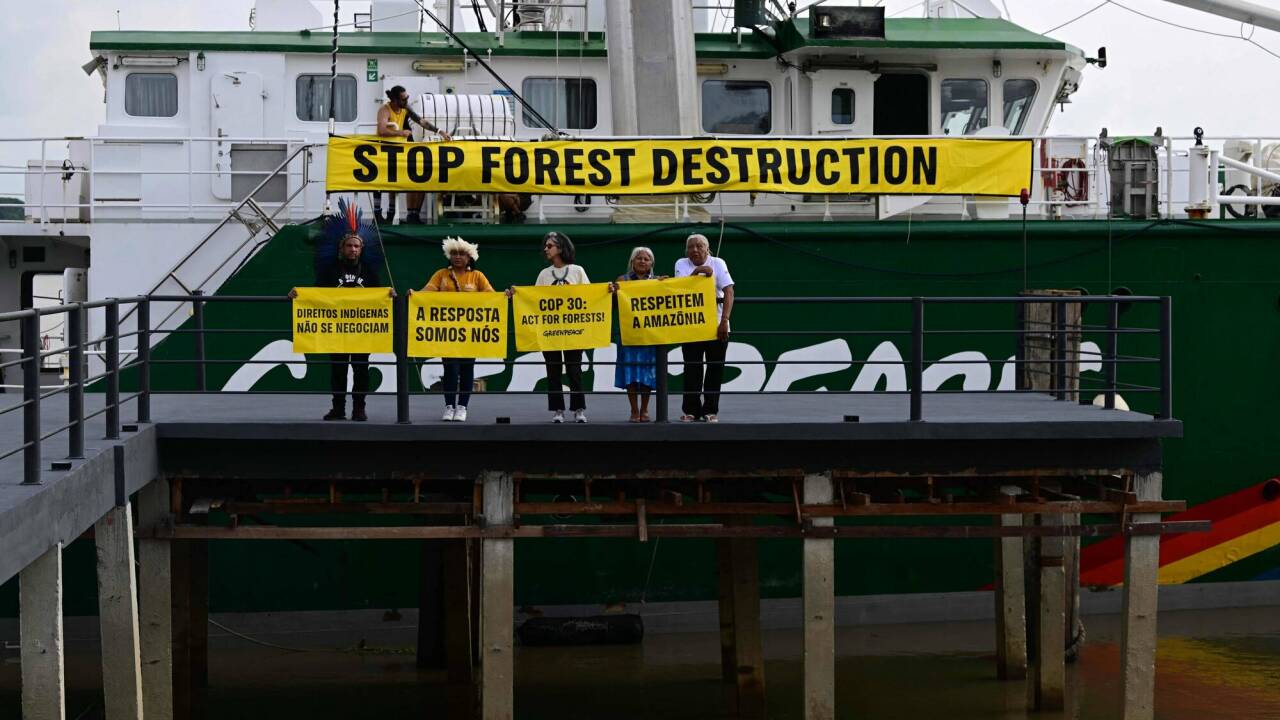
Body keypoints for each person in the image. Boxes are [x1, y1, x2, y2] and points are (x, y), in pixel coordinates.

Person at [288, 219, 383, 422]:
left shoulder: (369, 272)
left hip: (361, 331)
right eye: (349, 245)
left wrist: (389, 294)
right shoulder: (330, 270)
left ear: (362, 248)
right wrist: (299, 294)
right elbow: (316, 294)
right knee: (338, 371)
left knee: (361, 370)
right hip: (336, 330)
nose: (353, 249)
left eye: (356, 246)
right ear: (342, 247)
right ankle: (338, 409)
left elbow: (379, 296)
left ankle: (359, 409)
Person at [420, 237, 494, 422]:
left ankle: (462, 407)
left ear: (470, 258)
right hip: (448, 332)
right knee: (450, 369)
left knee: (467, 368)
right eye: (454, 253)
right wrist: (414, 294)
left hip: (470, 333)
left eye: (462, 253)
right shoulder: (441, 275)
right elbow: (426, 292)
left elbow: (492, 296)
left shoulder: (478, 276)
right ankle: (449, 406)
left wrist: (506, 295)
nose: (458, 257)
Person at [521, 231, 589, 423]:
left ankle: (578, 408)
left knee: (575, 371)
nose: (546, 249)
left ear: (560, 248)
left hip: (573, 329)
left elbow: (590, 295)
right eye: (545, 246)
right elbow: (533, 299)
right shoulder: (544, 274)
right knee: (553, 371)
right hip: (550, 330)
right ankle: (558, 409)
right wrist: (515, 295)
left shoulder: (577, 271)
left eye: (549, 246)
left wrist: (607, 291)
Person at [674, 233, 734, 422]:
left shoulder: (718, 262)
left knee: (715, 369)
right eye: (691, 246)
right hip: (691, 324)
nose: (695, 250)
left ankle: (710, 410)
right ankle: (691, 410)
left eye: (699, 246)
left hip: (716, 324)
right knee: (692, 368)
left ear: (707, 248)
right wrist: (698, 272)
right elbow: (682, 289)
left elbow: (729, 291)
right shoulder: (681, 264)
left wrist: (724, 320)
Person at [374, 86, 451, 225]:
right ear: (395, 99)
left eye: (407, 97)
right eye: (404, 98)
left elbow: (421, 121)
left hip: (397, 151)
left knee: (393, 184)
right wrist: (400, 133)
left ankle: (391, 215)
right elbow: (381, 130)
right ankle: (377, 214)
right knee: (379, 183)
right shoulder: (384, 110)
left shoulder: (405, 108)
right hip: (383, 151)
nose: (407, 100)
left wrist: (439, 131)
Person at [613, 247, 660, 422]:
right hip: (628, 335)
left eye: (646, 259)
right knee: (630, 372)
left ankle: (645, 409)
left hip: (649, 335)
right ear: (632, 262)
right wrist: (611, 292)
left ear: (651, 263)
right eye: (638, 258)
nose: (642, 261)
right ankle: (634, 410)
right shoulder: (622, 280)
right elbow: (613, 304)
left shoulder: (658, 281)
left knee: (648, 373)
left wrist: (665, 285)